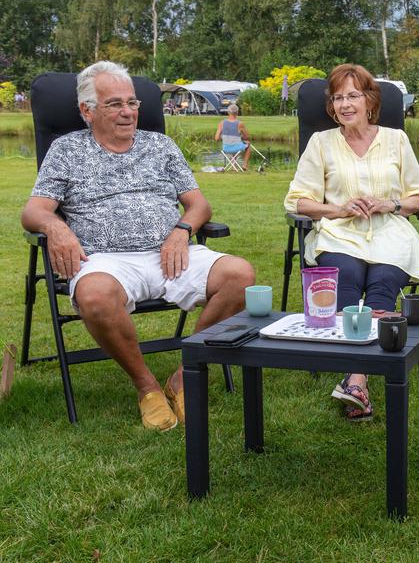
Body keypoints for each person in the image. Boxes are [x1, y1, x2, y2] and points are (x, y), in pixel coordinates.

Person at [21, 61, 255, 432]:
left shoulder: (160, 145)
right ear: (87, 111)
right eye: (114, 104)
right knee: (95, 297)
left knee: (240, 276)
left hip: (172, 252)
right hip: (105, 261)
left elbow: (199, 205)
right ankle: (147, 387)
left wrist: (181, 230)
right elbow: (34, 210)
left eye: (132, 102)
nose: (128, 111)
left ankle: (184, 376)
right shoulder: (66, 150)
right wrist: (56, 227)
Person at [284, 63, 419, 422]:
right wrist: (338, 208)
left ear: (369, 101)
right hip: (340, 232)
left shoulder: (396, 139)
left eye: (353, 95)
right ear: (332, 106)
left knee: (382, 280)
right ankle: (359, 376)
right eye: (338, 98)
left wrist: (389, 204)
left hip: (390, 231)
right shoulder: (321, 143)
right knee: (346, 273)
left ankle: (354, 376)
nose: (346, 104)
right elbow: (297, 202)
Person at [214, 104, 252, 171]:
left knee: (235, 144)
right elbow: (247, 137)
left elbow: (216, 138)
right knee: (248, 145)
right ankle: (245, 165)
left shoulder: (222, 123)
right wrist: (243, 137)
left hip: (225, 148)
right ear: (237, 113)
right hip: (236, 147)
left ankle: (233, 167)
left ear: (228, 112)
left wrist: (224, 138)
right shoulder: (240, 123)